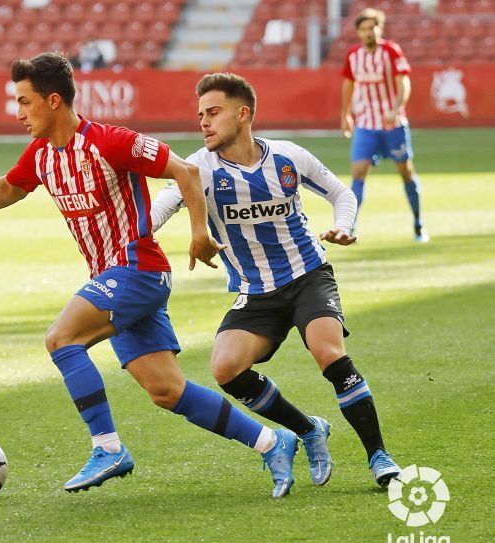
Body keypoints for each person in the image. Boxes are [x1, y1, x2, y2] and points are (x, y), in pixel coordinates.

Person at [0, 52, 301, 500]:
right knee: (167, 391)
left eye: (25, 102)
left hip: (137, 268)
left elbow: (185, 171)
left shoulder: (110, 142)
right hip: (116, 277)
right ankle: (272, 442)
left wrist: (198, 234)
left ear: (53, 101)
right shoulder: (42, 155)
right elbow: (11, 186)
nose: (18, 113)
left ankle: (107, 448)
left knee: (61, 339)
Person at [151, 72, 402, 488]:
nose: (204, 122)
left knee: (327, 350)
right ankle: (308, 429)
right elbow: (157, 212)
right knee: (226, 368)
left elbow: (343, 194)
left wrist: (343, 225)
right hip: (256, 292)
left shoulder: (288, 157)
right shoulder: (196, 169)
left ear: (243, 113)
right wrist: (131, 237)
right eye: (200, 115)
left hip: (308, 275)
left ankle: (379, 456)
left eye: (213, 112)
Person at [340, 8, 428, 242]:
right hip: (366, 124)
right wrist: (345, 114)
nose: (370, 32)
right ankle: (351, 225)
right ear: (358, 32)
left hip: (393, 124)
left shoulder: (391, 51)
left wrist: (397, 107)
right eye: (365, 29)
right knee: (358, 172)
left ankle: (418, 222)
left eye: (373, 27)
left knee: (405, 171)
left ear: (380, 28)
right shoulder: (353, 55)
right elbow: (348, 85)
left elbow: (404, 83)